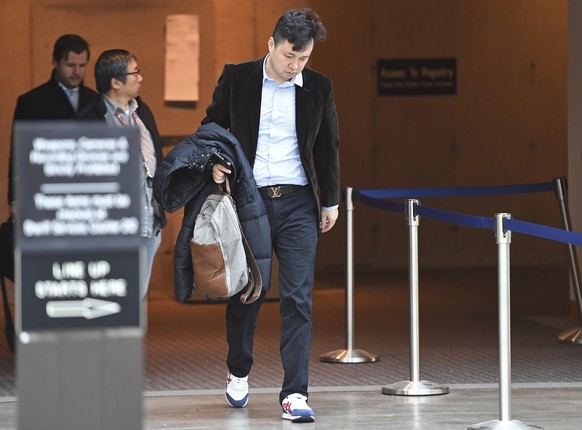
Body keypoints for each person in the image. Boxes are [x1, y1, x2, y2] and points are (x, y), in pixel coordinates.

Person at [203, 8, 340, 422]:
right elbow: (212, 125)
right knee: (249, 291)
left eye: (303, 58)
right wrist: (214, 161)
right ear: (271, 44)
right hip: (251, 200)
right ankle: (239, 369)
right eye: (288, 56)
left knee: (298, 299)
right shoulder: (238, 77)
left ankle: (295, 393)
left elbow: (328, 146)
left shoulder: (318, 87)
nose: (295, 66)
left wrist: (329, 201)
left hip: (299, 202)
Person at [76, 49, 166, 300]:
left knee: (135, 300)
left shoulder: (142, 111)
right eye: (135, 72)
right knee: (109, 300)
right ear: (115, 82)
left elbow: (154, 158)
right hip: (112, 229)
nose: (141, 78)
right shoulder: (89, 120)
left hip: (150, 222)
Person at [8, 34, 99, 206]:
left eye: (82, 65)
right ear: (55, 62)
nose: (77, 72)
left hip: (86, 193)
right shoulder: (31, 101)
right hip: (45, 191)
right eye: (70, 65)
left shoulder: (95, 100)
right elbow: (18, 153)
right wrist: (15, 198)